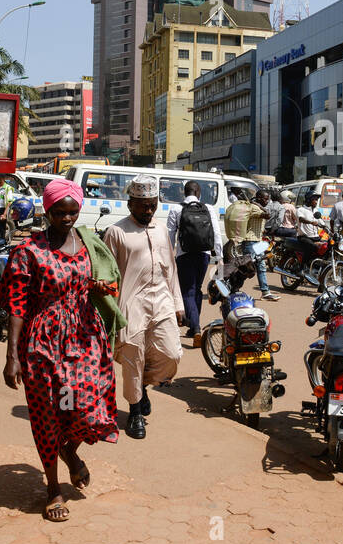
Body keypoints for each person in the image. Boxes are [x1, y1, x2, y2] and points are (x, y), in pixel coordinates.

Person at [1, 179, 122, 522]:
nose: (67, 218)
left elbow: (94, 280)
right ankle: (53, 488)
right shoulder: (30, 251)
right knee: (47, 417)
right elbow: (17, 305)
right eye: (60, 212)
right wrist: (12, 357)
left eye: (73, 212)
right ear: (48, 210)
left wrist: (96, 285)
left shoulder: (86, 244)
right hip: (43, 344)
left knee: (87, 406)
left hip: (84, 339)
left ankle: (69, 450)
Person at [103, 175, 187, 439]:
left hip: (161, 301)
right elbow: (107, 275)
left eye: (152, 204)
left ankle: (144, 387)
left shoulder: (162, 230)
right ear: (131, 204)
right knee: (132, 359)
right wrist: (109, 314)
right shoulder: (116, 232)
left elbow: (171, 268)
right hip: (131, 305)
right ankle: (135, 409)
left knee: (172, 354)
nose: (148, 210)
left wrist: (178, 303)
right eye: (143, 205)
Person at [166, 180, 222, 349]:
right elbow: (216, 233)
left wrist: (169, 256)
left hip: (184, 255)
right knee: (197, 289)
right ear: (199, 193)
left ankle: (196, 328)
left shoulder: (176, 209)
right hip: (204, 255)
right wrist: (219, 256)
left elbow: (170, 235)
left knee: (187, 291)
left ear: (184, 193)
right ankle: (192, 326)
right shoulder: (209, 208)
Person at [225, 189, 279, 301]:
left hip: (257, 241)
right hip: (250, 242)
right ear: (258, 198)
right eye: (265, 198)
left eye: (268, 199)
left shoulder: (254, 206)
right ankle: (231, 287)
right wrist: (256, 204)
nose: (267, 201)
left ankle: (264, 292)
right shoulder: (254, 207)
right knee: (248, 268)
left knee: (258, 266)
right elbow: (267, 215)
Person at [294, 192, 322, 269]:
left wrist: (329, 230)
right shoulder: (301, 210)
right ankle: (302, 268)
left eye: (317, 200)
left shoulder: (316, 211)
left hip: (315, 237)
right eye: (314, 199)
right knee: (313, 247)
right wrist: (311, 222)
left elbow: (321, 222)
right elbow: (301, 219)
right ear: (309, 200)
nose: (316, 201)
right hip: (304, 237)